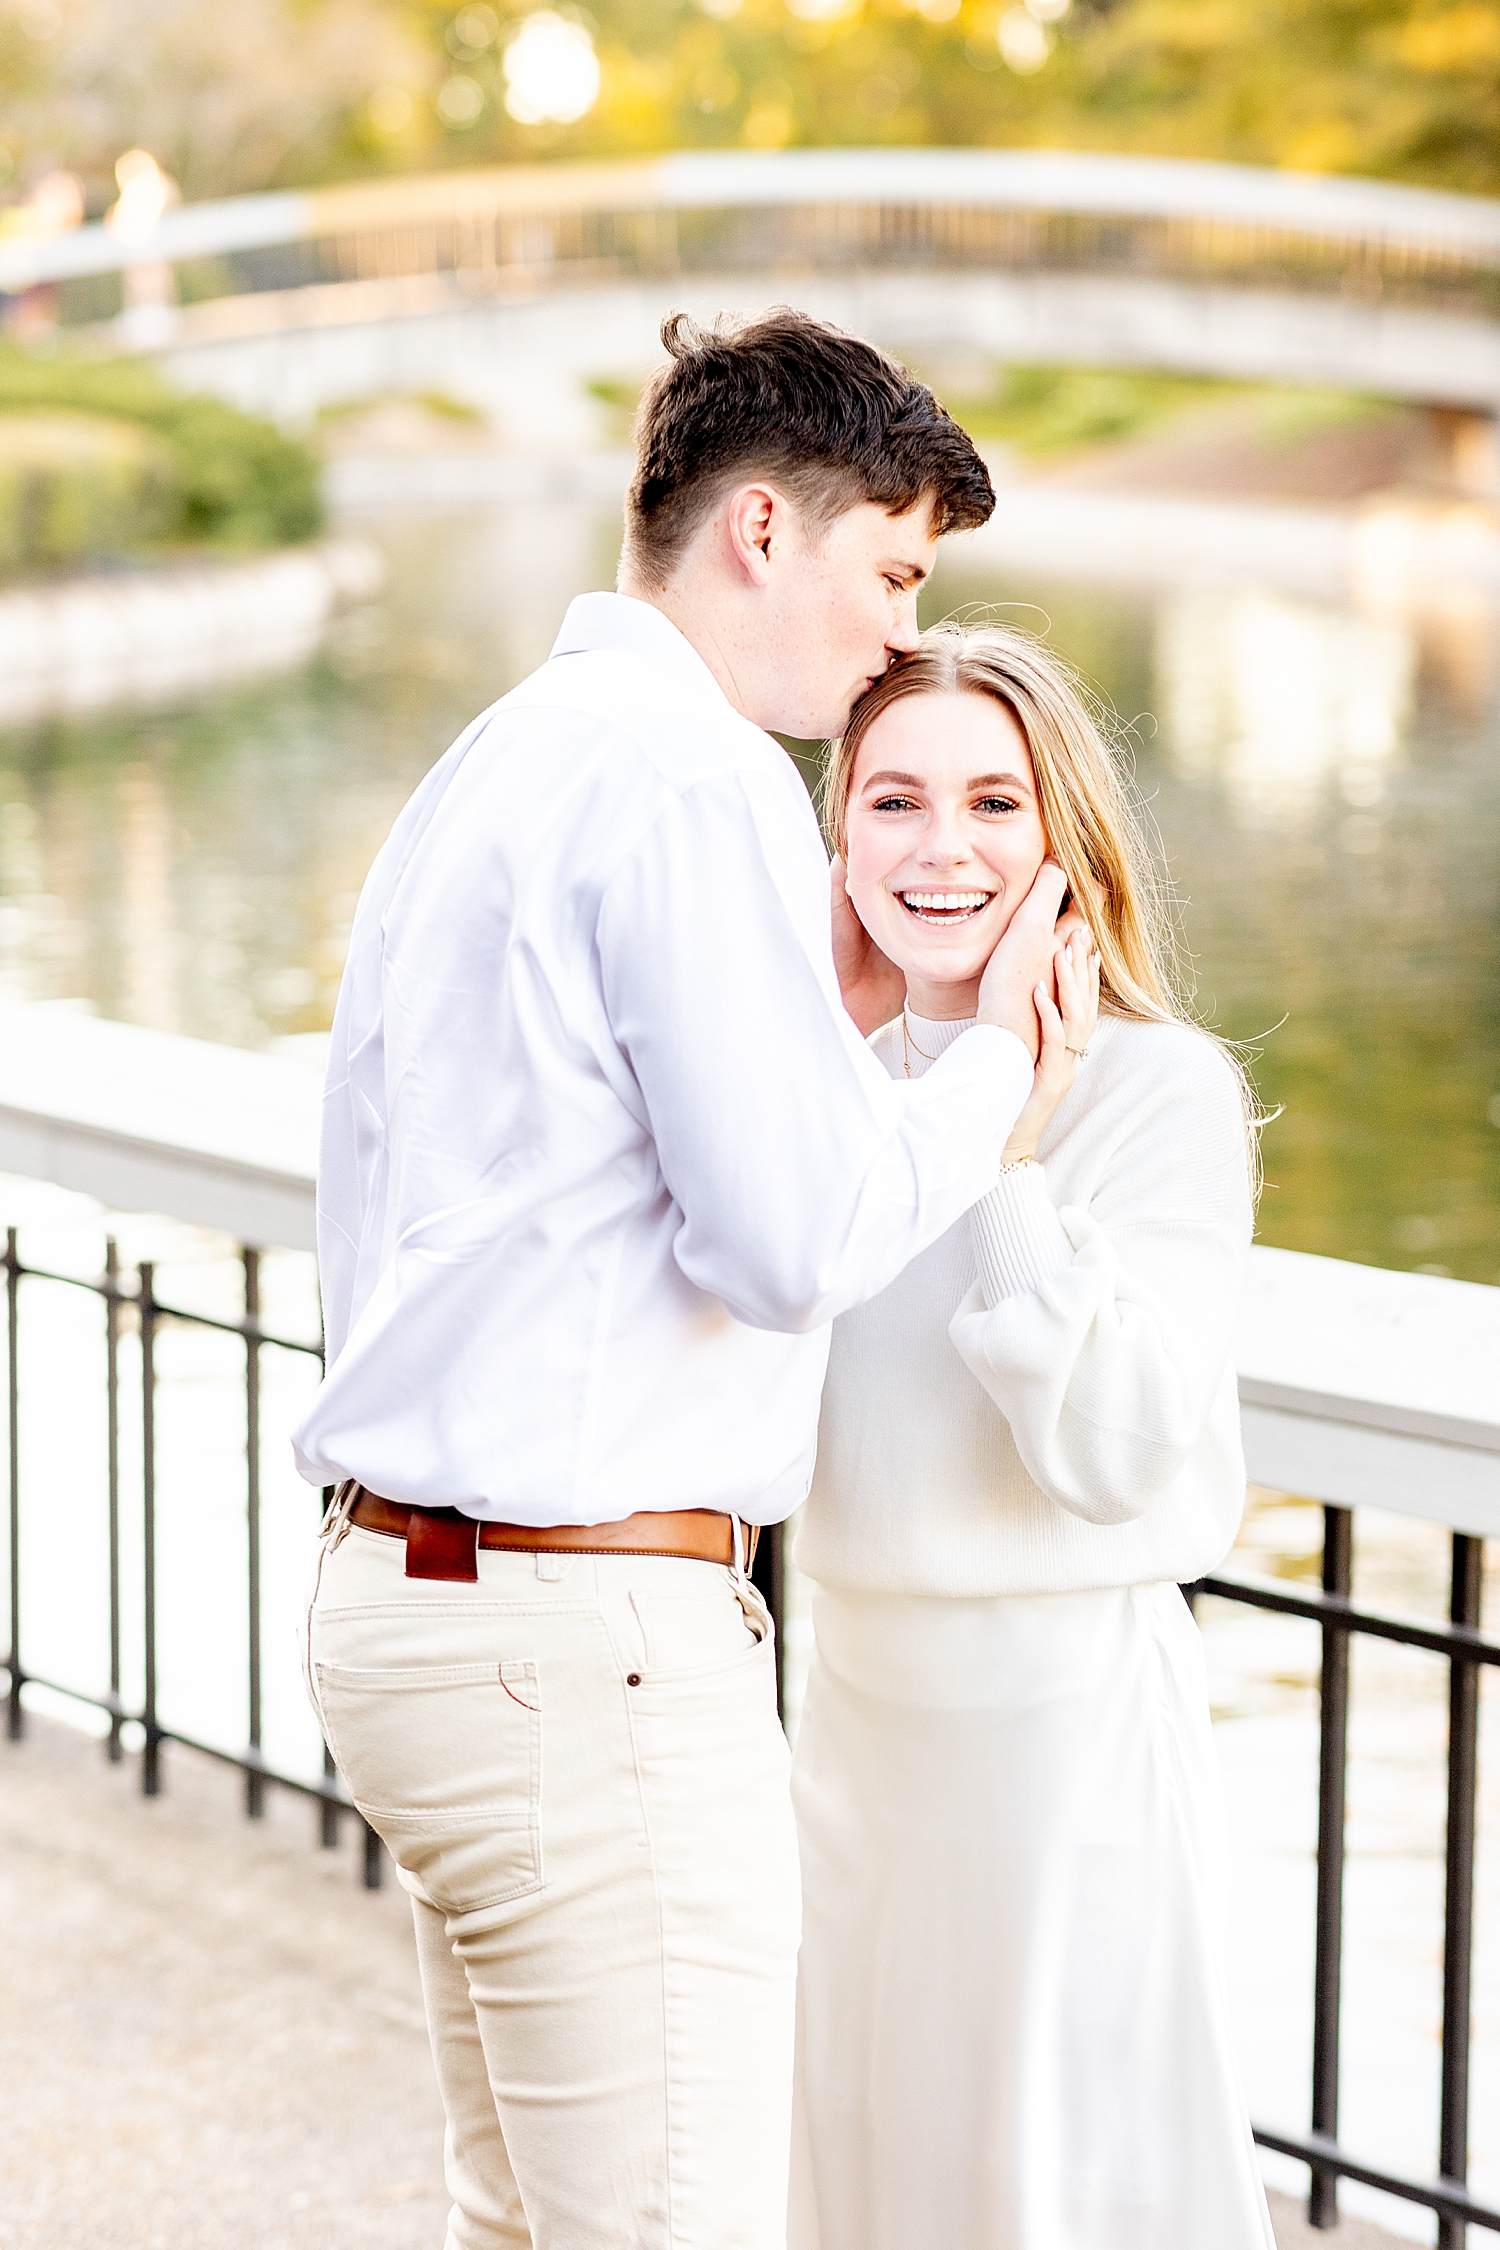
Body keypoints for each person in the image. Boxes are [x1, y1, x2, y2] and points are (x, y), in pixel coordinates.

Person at [291, 312, 1073, 2250]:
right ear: (755, 530)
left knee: (531, 2224)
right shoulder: (694, 779)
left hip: (411, 1604)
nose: (899, 636)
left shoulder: (495, 762)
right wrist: (996, 1070)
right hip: (584, 1650)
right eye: (890, 572)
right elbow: (786, 1239)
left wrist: (813, 1032)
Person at [790, 621, 1277, 2250]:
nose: (945, 849)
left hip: (1056, 1756)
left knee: (1052, 2194)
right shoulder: (807, 1092)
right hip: (838, 1737)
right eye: (895, 801)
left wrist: (1001, 1149)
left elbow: (1121, 1447)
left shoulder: (1163, 1093)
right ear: (839, 833)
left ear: (1065, 838)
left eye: (997, 802)